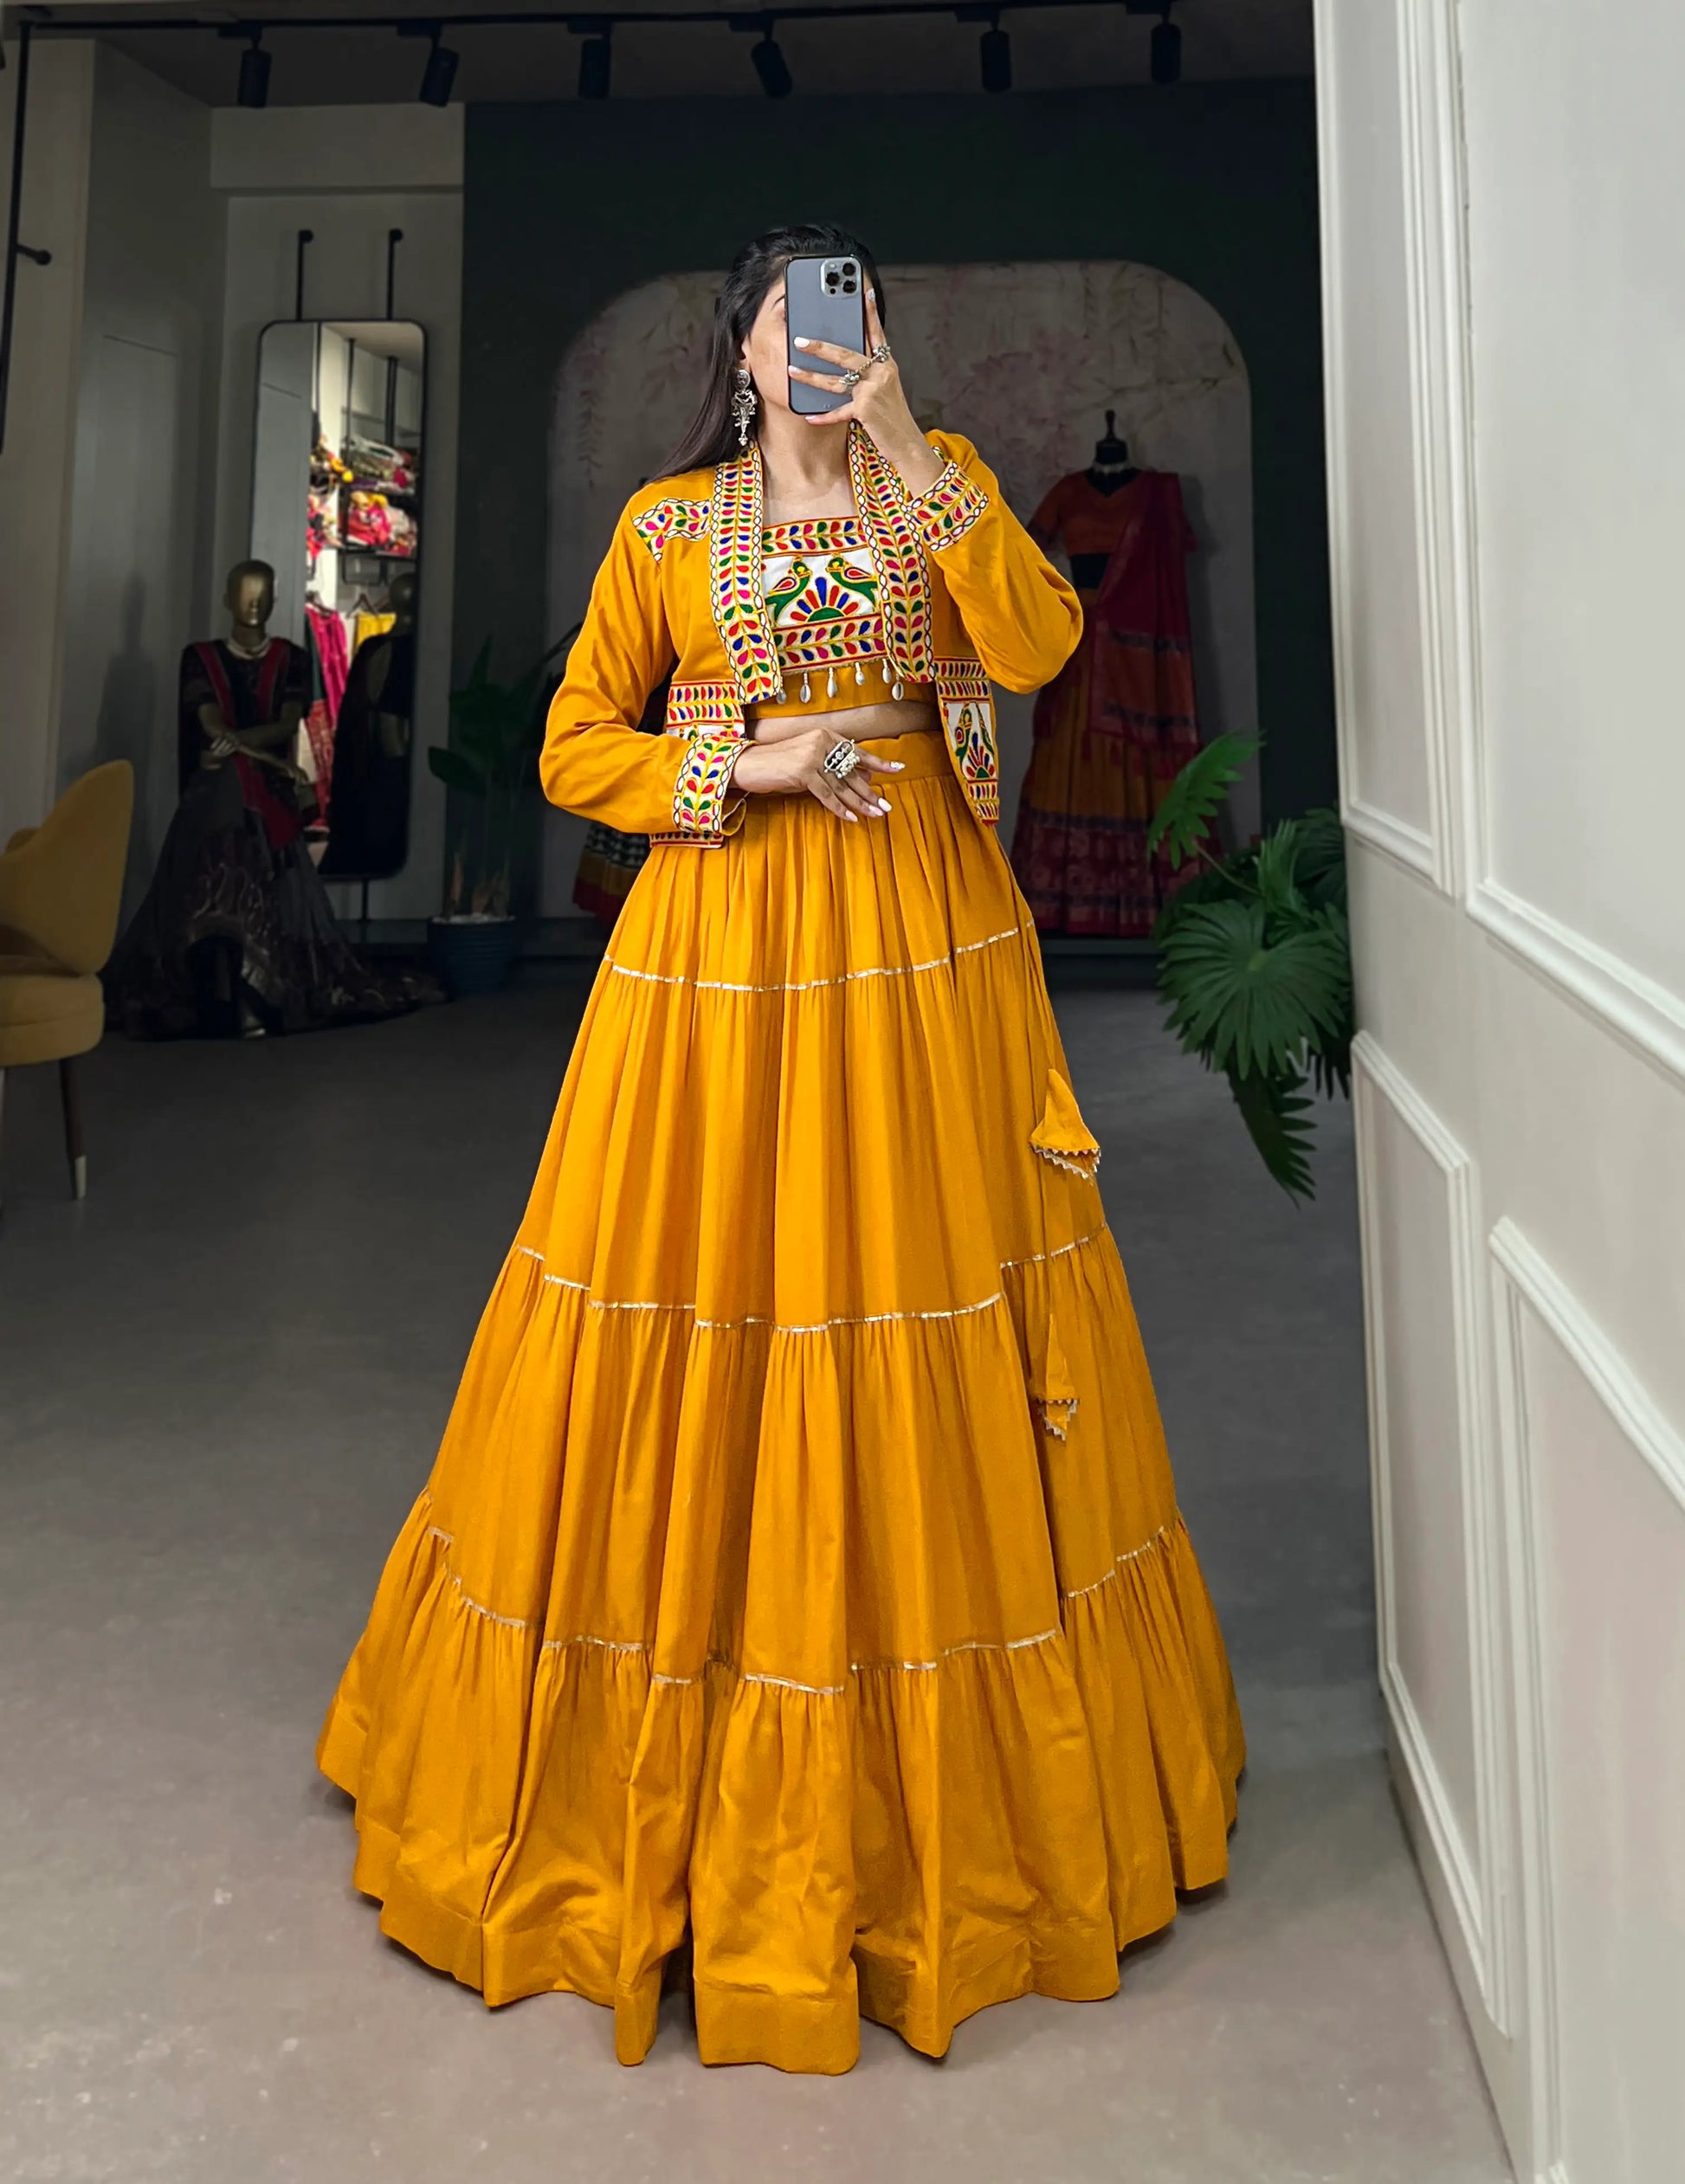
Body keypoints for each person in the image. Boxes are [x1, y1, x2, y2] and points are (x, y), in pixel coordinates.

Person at [317, 225, 1243, 2074]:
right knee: (703, 1286)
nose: (825, 339)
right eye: (793, 316)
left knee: (920, 1285)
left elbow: (1041, 645)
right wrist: (737, 767)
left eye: (855, 312)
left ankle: (956, 1822)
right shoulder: (670, 529)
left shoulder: (940, 483)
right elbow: (576, 743)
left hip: (923, 942)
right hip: (720, 944)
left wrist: (908, 446)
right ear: (738, 352)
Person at [106, 560, 436, 1039]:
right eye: (244, 593)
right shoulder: (200, 658)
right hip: (225, 788)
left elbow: (283, 725)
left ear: (275, 599)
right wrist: (243, 750)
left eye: (262, 593)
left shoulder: (292, 659)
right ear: (227, 599)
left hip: (260, 787)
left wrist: (237, 746)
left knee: (235, 792)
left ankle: (235, 981)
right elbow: (208, 720)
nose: (254, 603)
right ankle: (235, 980)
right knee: (228, 797)